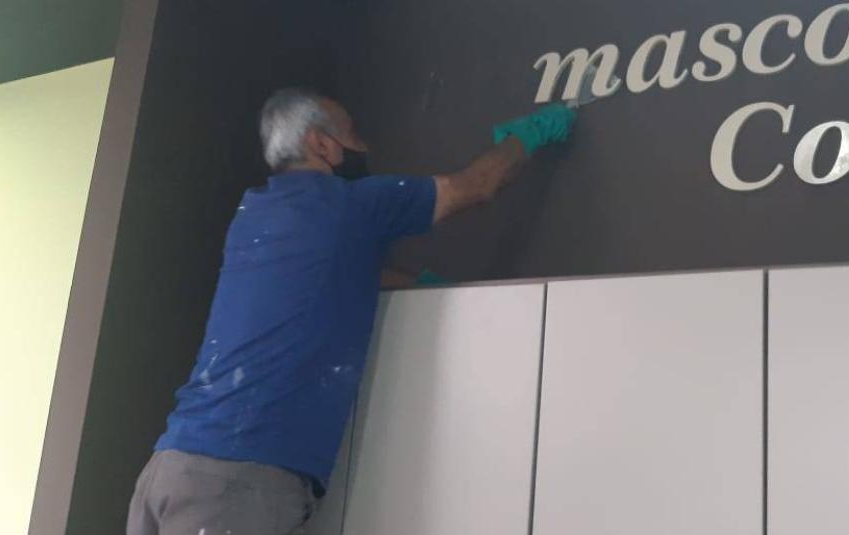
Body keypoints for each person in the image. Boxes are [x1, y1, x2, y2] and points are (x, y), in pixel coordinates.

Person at [126, 88, 576, 534]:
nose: (363, 144)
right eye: (353, 133)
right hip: (238, 480)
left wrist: (415, 285)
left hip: (170, 467)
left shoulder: (255, 215)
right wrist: (529, 135)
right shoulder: (351, 204)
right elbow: (476, 185)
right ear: (322, 145)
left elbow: (331, 274)